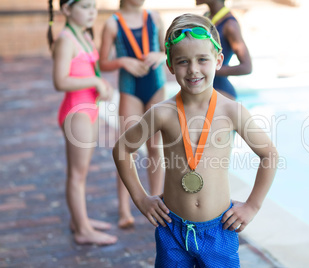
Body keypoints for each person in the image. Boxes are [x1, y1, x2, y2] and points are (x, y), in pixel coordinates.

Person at [113, 13, 277, 266]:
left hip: (219, 229)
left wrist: (252, 206)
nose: (193, 70)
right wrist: (141, 198)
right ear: (169, 65)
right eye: (182, 62)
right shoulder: (163, 113)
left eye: (202, 59)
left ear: (218, 60)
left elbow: (269, 155)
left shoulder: (231, 111)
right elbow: (123, 148)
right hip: (172, 229)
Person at [48, 0, 117, 245]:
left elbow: (86, 70)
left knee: (83, 171)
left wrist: (101, 85)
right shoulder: (66, 40)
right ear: (67, 9)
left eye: (93, 6)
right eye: (85, 7)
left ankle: (79, 220)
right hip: (76, 112)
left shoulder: (84, 36)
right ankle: (83, 231)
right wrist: (95, 82)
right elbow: (60, 80)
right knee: (76, 175)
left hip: (90, 109)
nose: (92, 12)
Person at [99, 0, 166, 228]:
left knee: (156, 147)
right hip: (130, 91)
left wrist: (160, 55)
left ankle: (157, 201)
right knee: (128, 151)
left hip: (156, 86)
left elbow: (168, 49)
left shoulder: (155, 17)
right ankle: (124, 208)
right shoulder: (112, 23)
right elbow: (102, 63)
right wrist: (122, 61)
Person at [196, 0, 252, 100]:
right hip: (204, 90)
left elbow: (247, 67)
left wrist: (209, 69)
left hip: (222, 92)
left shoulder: (230, 25)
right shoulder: (206, 17)